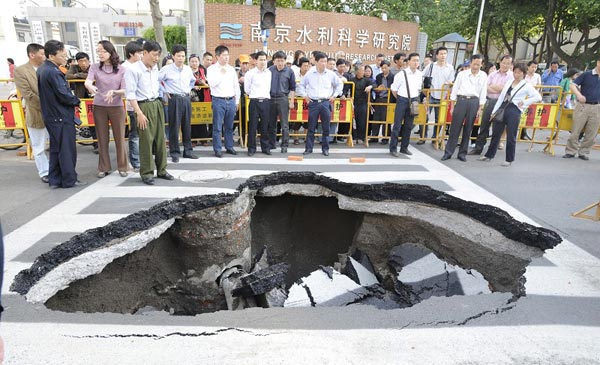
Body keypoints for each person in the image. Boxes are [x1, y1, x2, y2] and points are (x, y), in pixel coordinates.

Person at [124, 40, 174, 185]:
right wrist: (138, 113)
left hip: (157, 104)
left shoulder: (155, 68)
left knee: (160, 139)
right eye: (154, 55)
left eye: (158, 55)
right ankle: (146, 173)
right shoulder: (133, 70)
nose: (156, 58)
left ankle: (162, 170)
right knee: (146, 140)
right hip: (142, 106)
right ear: (144, 53)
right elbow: (131, 93)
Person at [37, 39, 85, 188]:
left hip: (52, 116)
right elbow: (63, 94)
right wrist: (76, 100)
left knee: (56, 149)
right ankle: (69, 180)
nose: (65, 58)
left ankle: (55, 179)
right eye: (62, 55)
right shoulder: (53, 72)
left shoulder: (43, 69)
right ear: (52, 56)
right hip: (61, 116)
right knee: (66, 150)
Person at [478, 63, 541, 166]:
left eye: (519, 73)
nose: (516, 74)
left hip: (514, 109)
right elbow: (501, 97)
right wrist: (494, 111)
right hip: (503, 107)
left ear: (523, 73)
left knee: (511, 135)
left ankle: (509, 159)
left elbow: (538, 97)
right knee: (496, 133)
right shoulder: (509, 82)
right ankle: (489, 155)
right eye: (515, 72)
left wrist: (524, 102)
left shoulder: (526, 85)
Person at [85, 40, 128, 178]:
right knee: (102, 138)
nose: (100, 54)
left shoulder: (121, 69)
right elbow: (88, 81)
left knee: (119, 138)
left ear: (111, 52)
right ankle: (103, 167)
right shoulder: (94, 67)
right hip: (99, 106)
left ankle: (122, 167)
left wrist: (114, 92)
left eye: (103, 51)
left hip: (117, 107)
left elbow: (125, 89)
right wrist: (90, 86)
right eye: (98, 51)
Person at [14, 43, 50, 184]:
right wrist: (47, 106)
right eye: (41, 53)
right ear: (32, 54)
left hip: (53, 114)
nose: (44, 56)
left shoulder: (48, 67)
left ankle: (55, 169)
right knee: (39, 145)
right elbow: (28, 94)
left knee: (55, 143)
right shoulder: (21, 71)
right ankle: (44, 172)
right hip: (36, 113)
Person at [441, 54, 487, 162]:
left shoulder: (483, 75)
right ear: (470, 63)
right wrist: (452, 105)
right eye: (474, 64)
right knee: (455, 128)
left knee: (468, 128)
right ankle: (448, 152)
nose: (476, 66)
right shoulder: (462, 74)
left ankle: (462, 153)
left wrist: (480, 108)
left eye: (478, 64)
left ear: (482, 64)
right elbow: (455, 89)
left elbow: (483, 92)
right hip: (461, 100)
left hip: (474, 102)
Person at [159, 44, 198, 163]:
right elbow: (157, 80)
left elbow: (192, 81)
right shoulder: (166, 69)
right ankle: (175, 152)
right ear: (173, 56)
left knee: (187, 126)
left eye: (183, 56)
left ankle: (188, 150)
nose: (181, 58)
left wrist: (188, 90)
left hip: (186, 99)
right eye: (178, 56)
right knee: (174, 126)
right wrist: (164, 91)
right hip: (174, 99)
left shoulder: (187, 69)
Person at [300, 51, 343, 156]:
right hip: (313, 102)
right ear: (316, 62)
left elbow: (339, 84)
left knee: (326, 127)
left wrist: (335, 95)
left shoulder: (331, 74)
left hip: (325, 102)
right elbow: (301, 85)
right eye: (321, 61)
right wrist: (305, 96)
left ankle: (325, 148)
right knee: (311, 127)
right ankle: (309, 149)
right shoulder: (310, 73)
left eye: (325, 61)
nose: (324, 63)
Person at [469, 55, 513, 155]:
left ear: (510, 65)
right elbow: (485, 87)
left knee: (497, 128)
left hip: (501, 103)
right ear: (500, 62)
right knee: (484, 125)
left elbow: (505, 89)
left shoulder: (511, 76)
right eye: (504, 62)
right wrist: (497, 88)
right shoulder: (493, 74)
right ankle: (478, 148)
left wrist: (494, 87)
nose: (505, 65)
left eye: (508, 63)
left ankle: (491, 151)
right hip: (489, 101)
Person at [417, 46, 455, 148]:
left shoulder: (450, 68)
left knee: (439, 119)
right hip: (430, 95)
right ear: (437, 55)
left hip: (443, 96)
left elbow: (451, 82)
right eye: (441, 54)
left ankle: (435, 138)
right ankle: (423, 137)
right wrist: (423, 90)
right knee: (424, 116)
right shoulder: (431, 66)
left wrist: (449, 85)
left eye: (445, 54)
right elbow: (421, 76)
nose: (443, 56)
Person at [207, 45, 240, 158]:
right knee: (217, 126)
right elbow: (212, 84)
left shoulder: (231, 69)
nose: (226, 57)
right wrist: (221, 73)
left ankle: (229, 146)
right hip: (218, 100)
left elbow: (236, 86)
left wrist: (237, 101)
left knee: (229, 126)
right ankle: (217, 149)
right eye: (224, 55)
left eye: (227, 55)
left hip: (231, 100)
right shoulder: (211, 69)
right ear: (217, 56)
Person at [563, 58, 600, 160]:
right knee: (576, 130)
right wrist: (579, 95)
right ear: (598, 63)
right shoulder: (587, 74)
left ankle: (584, 152)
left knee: (592, 132)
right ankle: (571, 151)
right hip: (583, 105)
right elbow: (573, 85)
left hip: (597, 107)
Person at [389, 52, 422, 156]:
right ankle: (393, 148)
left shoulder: (420, 74)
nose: (416, 62)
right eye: (414, 60)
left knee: (409, 126)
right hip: (402, 100)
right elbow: (394, 89)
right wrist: (400, 99)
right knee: (397, 125)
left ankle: (404, 147)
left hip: (414, 101)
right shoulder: (401, 74)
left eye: (417, 60)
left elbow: (419, 88)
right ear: (408, 62)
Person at [66, 51, 97, 153]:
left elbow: (95, 76)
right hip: (80, 98)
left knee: (95, 122)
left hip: (93, 98)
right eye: (81, 61)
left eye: (85, 61)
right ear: (77, 62)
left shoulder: (93, 67)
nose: (83, 63)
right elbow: (68, 76)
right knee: (86, 121)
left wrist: (79, 75)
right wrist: (82, 75)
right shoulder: (73, 67)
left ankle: (97, 144)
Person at [121, 40, 143, 172]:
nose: (141, 55)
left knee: (140, 134)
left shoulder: (138, 66)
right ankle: (135, 161)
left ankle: (139, 158)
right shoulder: (125, 68)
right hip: (131, 106)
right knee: (135, 134)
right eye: (139, 53)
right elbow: (127, 89)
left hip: (141, 104)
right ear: (131, 54)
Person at [244, 51, 271, 156]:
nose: (263, 62)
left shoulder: (269, 73)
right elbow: (247, 89)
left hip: (265, 101)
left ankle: (265, 147)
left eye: (265, 59)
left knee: (265, 126)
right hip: (254, 102)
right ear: (255, 61)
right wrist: (255, 95)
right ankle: (251, 148)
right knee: (253, 126)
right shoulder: (250, 73)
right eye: (261, 59)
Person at [268, 51, 296, 153]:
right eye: (278, 60)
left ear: (285, 61)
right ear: (274, 61)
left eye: (282, 60)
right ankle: (272, 144)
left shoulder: (290, 72)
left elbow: (292, 88)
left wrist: (292, 101)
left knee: (284, 124)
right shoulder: (269, 70)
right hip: (270, 98)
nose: (280, 63)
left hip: (283, 98)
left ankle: (284, 145)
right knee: (271, 123)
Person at [370, 60, 395, 144]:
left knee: (386, 119)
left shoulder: (393, 76)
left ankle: (385, 137)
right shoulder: (378, 77)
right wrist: (378, 89)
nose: (384, 69)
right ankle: (374, 137)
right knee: (376, 118)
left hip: (388, 99)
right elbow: (375, 87)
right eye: (382, 68)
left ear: (389, 67)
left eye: (385, 67)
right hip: (379, 98)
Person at [350, 65, 376, 144]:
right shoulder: (352, 80)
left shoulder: (366, 80)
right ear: (357, 71)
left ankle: (361, 137)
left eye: (363, 70)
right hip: (354, 103)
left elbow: (375, 85)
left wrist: (370, 87)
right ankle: (354, 137)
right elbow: (346, 88)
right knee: (353, 120)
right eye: (361, 70)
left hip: (363, 103)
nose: (363, 72)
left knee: (362, 121)